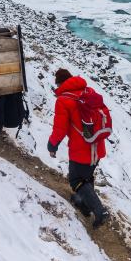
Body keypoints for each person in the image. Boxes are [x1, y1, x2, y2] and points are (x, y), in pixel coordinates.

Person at [47, 69, 109, 228]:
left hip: (80, 150)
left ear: (60, 83)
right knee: (86, 178)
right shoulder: (89, 90)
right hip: (97, 145)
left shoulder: (63, 100)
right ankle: (84, 205)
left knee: (76, 181)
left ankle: (99, 211)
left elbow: (60, 129)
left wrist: (52, 145)